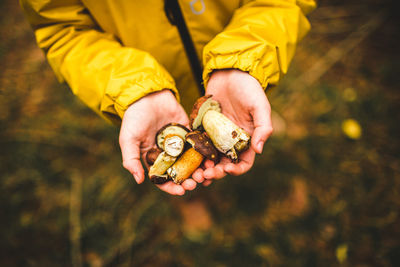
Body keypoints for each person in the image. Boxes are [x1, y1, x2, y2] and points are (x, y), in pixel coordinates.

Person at [20, 0, 316, 195]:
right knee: (187, 178)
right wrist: (134, 91)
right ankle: (190, 202)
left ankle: (250, 122)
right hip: (148, 94)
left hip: (235, 75)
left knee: (245, 114)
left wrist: (242, 62)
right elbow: (62, 31)